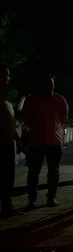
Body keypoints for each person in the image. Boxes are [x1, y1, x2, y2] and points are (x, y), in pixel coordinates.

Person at [21, 72, 68, 208]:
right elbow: (25, 119)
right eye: (46, 83)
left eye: (51, 83)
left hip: (54, 141)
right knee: (33, 172)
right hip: (36, 141)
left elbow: (64, 119)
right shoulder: (32, 100)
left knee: (53, 171)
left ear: (54, 84)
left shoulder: (60, 100)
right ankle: (32, 200)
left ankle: (51, 198)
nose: (49, 85)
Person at [0, 65, 20, 217]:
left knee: (8, 178)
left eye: (8, 76)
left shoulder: (7, 99)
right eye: (4, 75)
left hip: (8, 144)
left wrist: (18, 140)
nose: (7, 78)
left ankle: (7, 208)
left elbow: (12, 124)